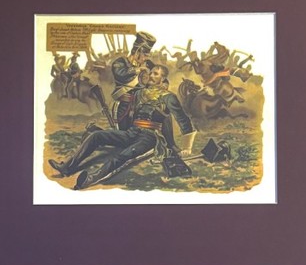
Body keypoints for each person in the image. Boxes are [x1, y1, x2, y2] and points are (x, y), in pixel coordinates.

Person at [48, 65, 197, 190]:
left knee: (123, 156)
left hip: (150, 137)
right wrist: (137, 76)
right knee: (96, 136)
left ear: (163, 79)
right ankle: (67, 167)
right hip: (131, 132)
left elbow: (183, 120)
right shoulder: (140, 93)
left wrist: (187, 147)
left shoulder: (169, 97)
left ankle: (91, 178)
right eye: (151, 72)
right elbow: (118, 96)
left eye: (156, 74)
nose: (151, 76)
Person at [111, 31, 156, 130]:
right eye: (144, 55)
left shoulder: (148, 64)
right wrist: (137, 70)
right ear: (137, 52)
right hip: (124, 104)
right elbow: (120, 74)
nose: (146, 58)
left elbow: (159, 75)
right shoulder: (120, 62)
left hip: (142, 105)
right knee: (123, 131)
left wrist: (164, 83)